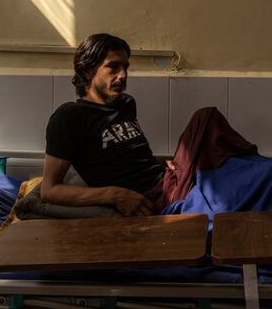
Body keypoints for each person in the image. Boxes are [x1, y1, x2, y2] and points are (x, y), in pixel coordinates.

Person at [41, 33, 174, 216]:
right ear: (87, 70)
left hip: (168, 181)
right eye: (113, 67)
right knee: (206, 117)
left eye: (125, 67)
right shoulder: (69, 117)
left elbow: (127, 158)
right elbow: (49, 190)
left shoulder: (126, 104)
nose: (123, 75)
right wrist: (115, 195)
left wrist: (166, 162)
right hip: (153, 196)